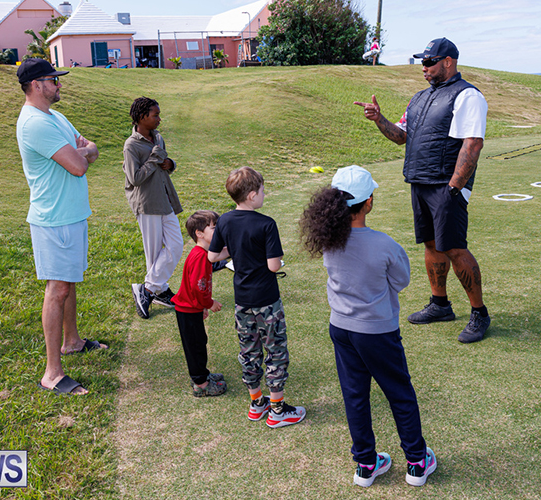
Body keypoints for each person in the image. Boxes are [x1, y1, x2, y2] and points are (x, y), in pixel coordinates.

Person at [299, 165, 437, 488]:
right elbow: (401, 280)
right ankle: (417, 462)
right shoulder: (383, 244)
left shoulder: (328, 241)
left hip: (341, 330)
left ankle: (365, 464)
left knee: (355, 396)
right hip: (377, 332)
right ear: (368, 202)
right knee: (400, 393)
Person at [354, 37, 491, 343]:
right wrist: (379, 119)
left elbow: (472, 143)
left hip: (446, 186)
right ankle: (440, 304)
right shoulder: (418, 99)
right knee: (431, 245)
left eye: (430, 62)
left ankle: (479, 313)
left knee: (455, 248)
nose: (424, 67)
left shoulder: (468, 96)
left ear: (449, 62)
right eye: (422, 62)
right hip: (420, 182)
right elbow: (401, 135)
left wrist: (455, 187)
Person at [16, 58, 107, 396]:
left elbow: (88, 147)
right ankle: (52, 373)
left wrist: (86, 151)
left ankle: (73, 341)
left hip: (69, 215)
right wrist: (84, 153)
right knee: (58, 290)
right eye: (53, 80)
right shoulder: (34, 124)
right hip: (53, 219)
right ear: (36, 84)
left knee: (67, 283)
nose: (59, 84)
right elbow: (79, 165)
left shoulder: (55, 117)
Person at [207, 167, 306, 428]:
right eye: (262, 190)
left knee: (249, 351)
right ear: (252, 195)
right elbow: (274, 265)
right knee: (275, 351)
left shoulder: (225, 220)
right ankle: (277, 410)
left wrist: (236, 250)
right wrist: (273, 259)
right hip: (267, 300)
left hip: (242, 301)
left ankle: (256, 402)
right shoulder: (266, 224)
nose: (264, 194)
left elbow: (212, 256)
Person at [123, 97, 184, 319]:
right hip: (146, 203)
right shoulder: (131, 145)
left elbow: (163, 165)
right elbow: (135, 178)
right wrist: (155, 157)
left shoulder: (158, 137)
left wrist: (170, 164)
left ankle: (149, 289)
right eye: (155, 115)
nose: (159, 119)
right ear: (142, 117)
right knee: (154, 253)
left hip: (164, 199)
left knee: (176, 245)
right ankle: (159, 290)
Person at [172, 210, 227, 397]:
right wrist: (209, 303)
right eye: (214, 228)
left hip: (192, 308)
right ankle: (200, 384)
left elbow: (220, 254)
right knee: (195, 346)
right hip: (187, 310)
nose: (218, 230)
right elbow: (198, 288)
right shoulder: (200, 257)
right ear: (199, 233)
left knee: (200, 342)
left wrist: (201, 307)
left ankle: (202, 374)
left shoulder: (203, 253)